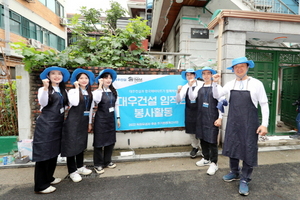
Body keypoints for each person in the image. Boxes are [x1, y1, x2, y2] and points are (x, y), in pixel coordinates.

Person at [212, 57, 269, 196]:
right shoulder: (230, 84)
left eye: (242, 66)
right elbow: (217, 95)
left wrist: (264, 124)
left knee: (248, 150)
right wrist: (215, 83)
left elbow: (264, 104)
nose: (239, 69)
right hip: (233, 122)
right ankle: (235, 172)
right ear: (233, 70)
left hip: (250, 124)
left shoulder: (256, 84)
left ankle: (245, 179)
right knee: (232, 147)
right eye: (236, 67)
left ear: (247, 67)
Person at [32, 66, 70, 194]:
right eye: (53, 74)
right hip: (46, 125)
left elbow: (65, 106)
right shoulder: (44, 89)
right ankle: (41, 185)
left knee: (53, 152)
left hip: (57, 125)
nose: (56, 76)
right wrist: (45, 88)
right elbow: (43, 103)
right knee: (44, 153)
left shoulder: (62, 90)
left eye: (59, 74)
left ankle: (49, 177)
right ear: (48, 76)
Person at [188, 66, 226, 175]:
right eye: (204, 74)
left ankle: (214, 163)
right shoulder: (199, 87)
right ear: (201, 75)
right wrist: (191, 87)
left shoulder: (217, 86)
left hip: (212, 117)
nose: (206, 76)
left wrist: (220, 117)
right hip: (201, 117)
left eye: (208, 73)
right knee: (203, 138)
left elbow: (221, 102)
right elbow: (192, 98)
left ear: (212, 74)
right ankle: (206, 158)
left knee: (212, 141)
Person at [61, 68, 94, 182]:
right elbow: (74, 103)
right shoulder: (72, 92)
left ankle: (80, 167)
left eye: (86, 78)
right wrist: (76, 88)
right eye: (81, 78)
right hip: (73, 122)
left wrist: (89, 123)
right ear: (76, 80)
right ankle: (72, 171)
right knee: (71, 145)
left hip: (83, 122)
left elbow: (89, 109)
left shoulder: (89, 93)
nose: (84, 80)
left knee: (81, 144)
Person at [90, 69, 121, 174]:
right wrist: (99, 87)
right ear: (101, 79)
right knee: (99, 142)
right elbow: (96, 100)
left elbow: (116, 105)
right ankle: (98, 164)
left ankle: (107, 161)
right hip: (100, 120)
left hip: (110, 119)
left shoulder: (113, 91)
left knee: (110, 141)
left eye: (110, 78)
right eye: (106, 77)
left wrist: (118, 118)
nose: (108, 80)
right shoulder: (97, 92)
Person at [176, 69, 203, 158]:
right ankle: (195, 147)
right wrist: (178, 92)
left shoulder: (201, 84)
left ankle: (204, 149)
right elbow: (178, 100)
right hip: (190, 111)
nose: (189, 76)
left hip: (202, 111)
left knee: (202, 130)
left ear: (195, 75)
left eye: (191, 74)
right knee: (192, 131)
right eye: (188, 75)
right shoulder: (185, 86)